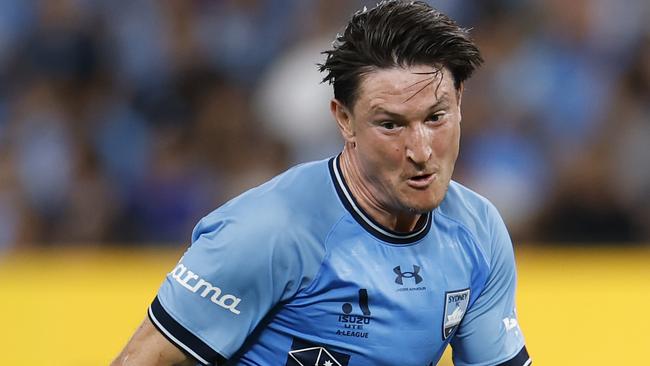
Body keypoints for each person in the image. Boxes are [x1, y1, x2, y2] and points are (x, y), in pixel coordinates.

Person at [112, 1, 531, 365]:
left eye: (435, 118)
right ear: (344, 119)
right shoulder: (269, 231)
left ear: (459, 101)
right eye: (390, 125)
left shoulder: (478, 231)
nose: (420, 150)